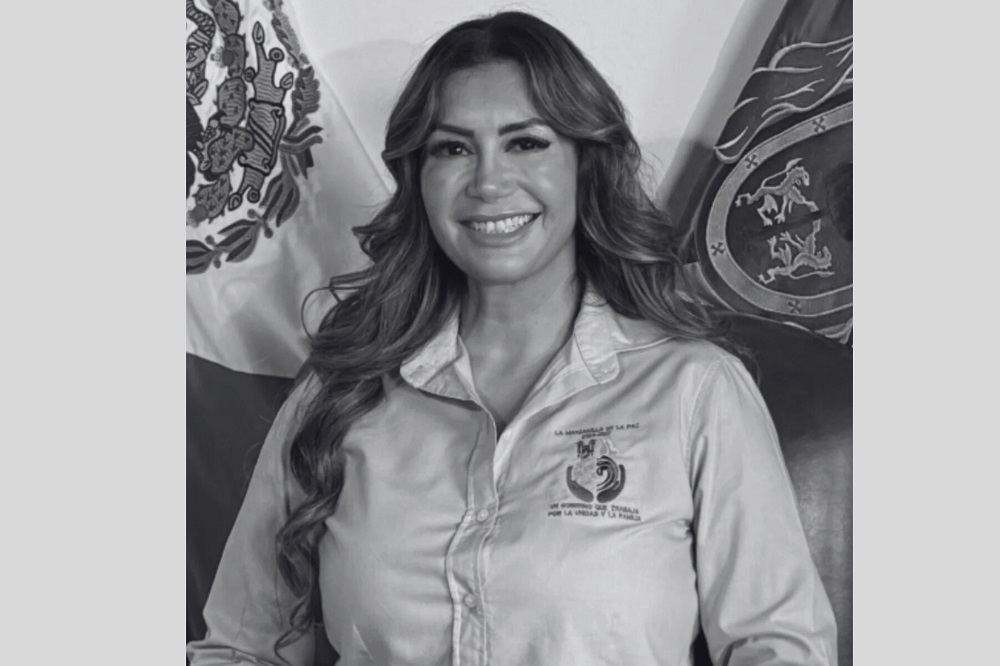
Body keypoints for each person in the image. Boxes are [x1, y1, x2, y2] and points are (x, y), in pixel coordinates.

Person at [188, 10, 837, 666]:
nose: (489, 182)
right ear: (418, 178)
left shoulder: (696, 390)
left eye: (526, 143)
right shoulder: (337, 393)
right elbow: (241, 649)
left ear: (586, 164)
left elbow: (779, 649)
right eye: (453, 149)